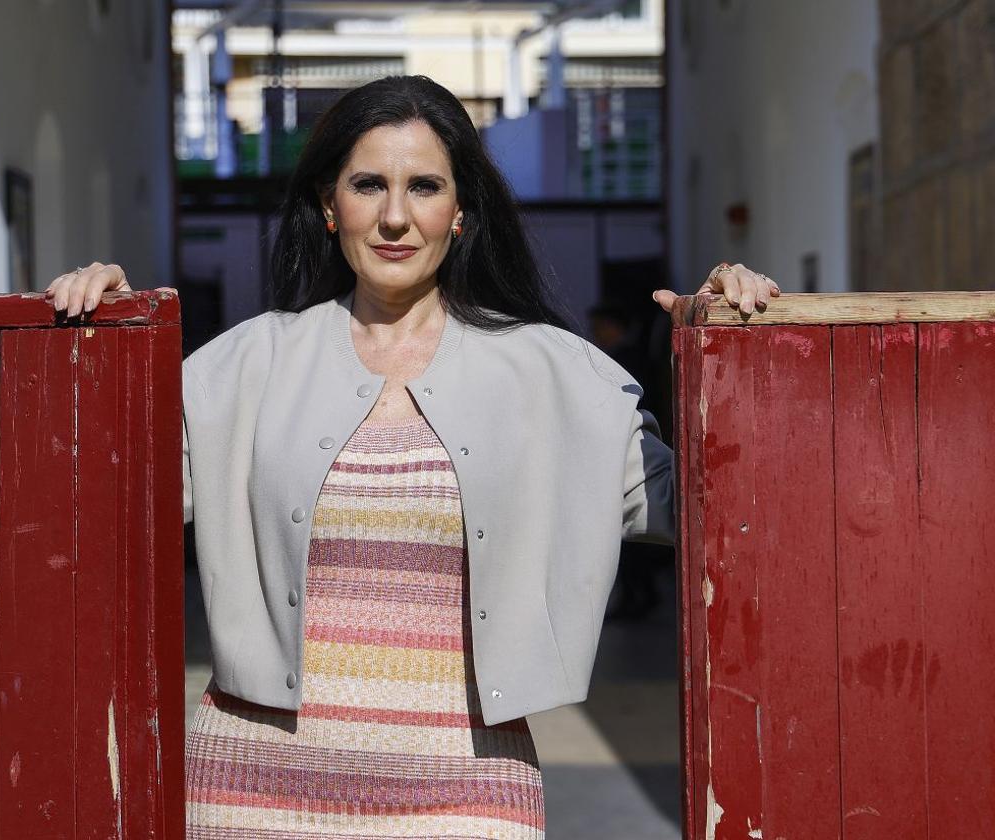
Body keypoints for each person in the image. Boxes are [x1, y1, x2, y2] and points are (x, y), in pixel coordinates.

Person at [46, 75, 779, 840]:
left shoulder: (555, 373)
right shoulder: (242, 366)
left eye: (424, 186)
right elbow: (91, 497)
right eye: (369, 185)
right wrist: (100, 355)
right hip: (252, 791)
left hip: (468, 793)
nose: (395, 216)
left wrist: (738, 357)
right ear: (331, 205)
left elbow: (714, 505)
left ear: (460, 212)